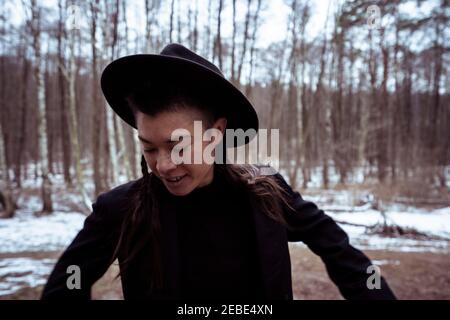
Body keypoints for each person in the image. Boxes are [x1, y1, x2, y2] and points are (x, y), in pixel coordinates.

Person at [41, 43, 396, 300]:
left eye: (179, 146)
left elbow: (342, 254)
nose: (163, 165)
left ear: (217, 134)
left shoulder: (267, 194)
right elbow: (66, 282)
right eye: (149, 147)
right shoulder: (121, 209)